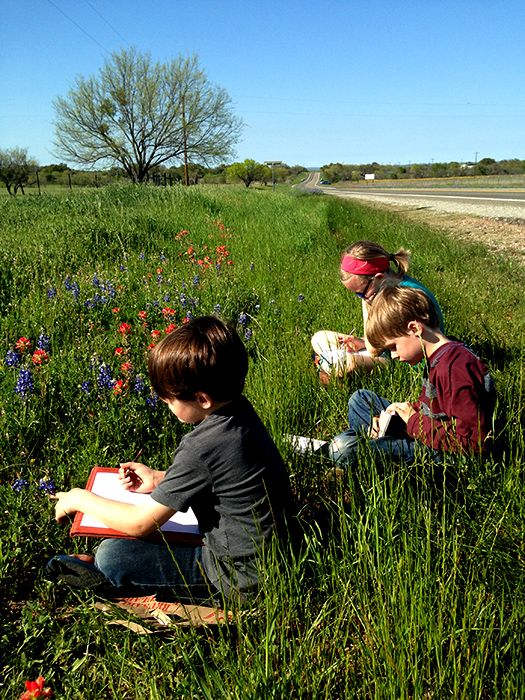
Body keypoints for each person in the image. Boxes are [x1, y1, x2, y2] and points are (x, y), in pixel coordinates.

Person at [47, 316, 295, 605]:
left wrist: (80, 499)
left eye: (168, 400)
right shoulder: (240, 412)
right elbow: (221, 474)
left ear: (202, 399)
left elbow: (138, 524)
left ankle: (105, 577)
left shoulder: (200, 446)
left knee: (113, 556)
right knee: (121, 549)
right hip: (273, 560)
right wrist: (157, 479)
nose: (166, 406)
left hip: (239, 580)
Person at [325, 284, 495, 470]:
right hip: (430, 431)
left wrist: (413, 420)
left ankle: (358, 455)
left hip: (447, 454)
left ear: (414, 328)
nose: (394, 356)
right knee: (360, 399)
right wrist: (399, 412)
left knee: (341, 450)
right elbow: (437, 408)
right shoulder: (439, 357)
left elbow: (473, 442)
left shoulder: (455, 367)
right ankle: (371, 443)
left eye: (393, 347)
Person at [311, 240, 444, 381]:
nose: (361, 298)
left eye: (361, 293)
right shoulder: (386, 287)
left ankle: (324, 363)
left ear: (378, 278)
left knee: (345, 364)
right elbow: (375, 340)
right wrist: (361, 342)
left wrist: (366, 302)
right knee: (319, 338)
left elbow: (373, 349)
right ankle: (326, 363)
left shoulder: (399, 299)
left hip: (404, 358)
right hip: (389, 344)